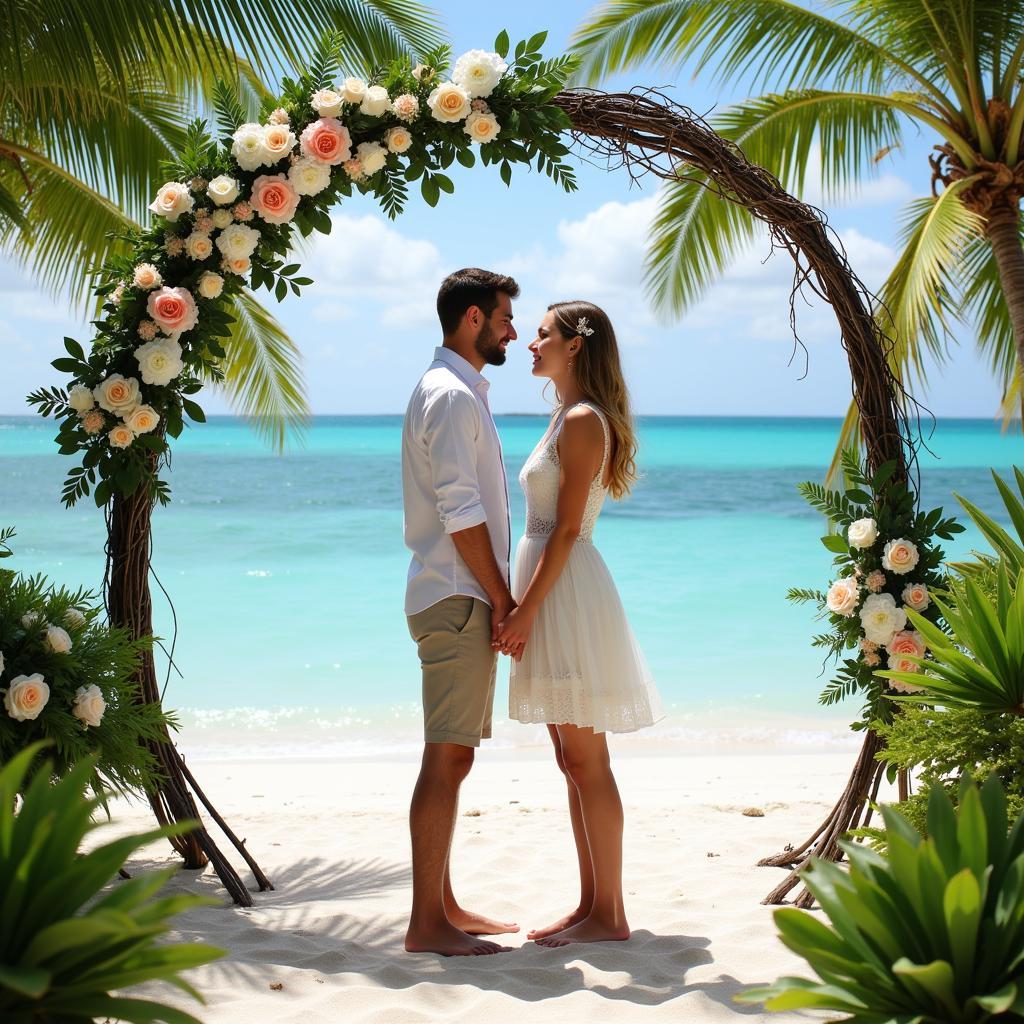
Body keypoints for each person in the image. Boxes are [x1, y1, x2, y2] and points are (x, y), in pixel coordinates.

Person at [496, 300, 663, 947]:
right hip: (552, 589)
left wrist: (526, 609)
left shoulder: (584, 420)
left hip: (563, 594)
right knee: (571, 758)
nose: (529, 343)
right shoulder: (563, 416)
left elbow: (566, 529)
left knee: (587, 759)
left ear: (575, 346)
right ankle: (592, 904)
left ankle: (610, 916)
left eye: (542, 335)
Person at [401, 268, 520, 957]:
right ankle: (426, 924)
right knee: (444, 758)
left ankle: (442, 905)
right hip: (455, 594)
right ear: (472, 319)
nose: (510, 330)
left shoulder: (456, 391)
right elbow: (460, 507)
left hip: (458, 592)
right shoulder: (449, 396)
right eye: (504, 317)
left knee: (456, 756)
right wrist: (503, 598)